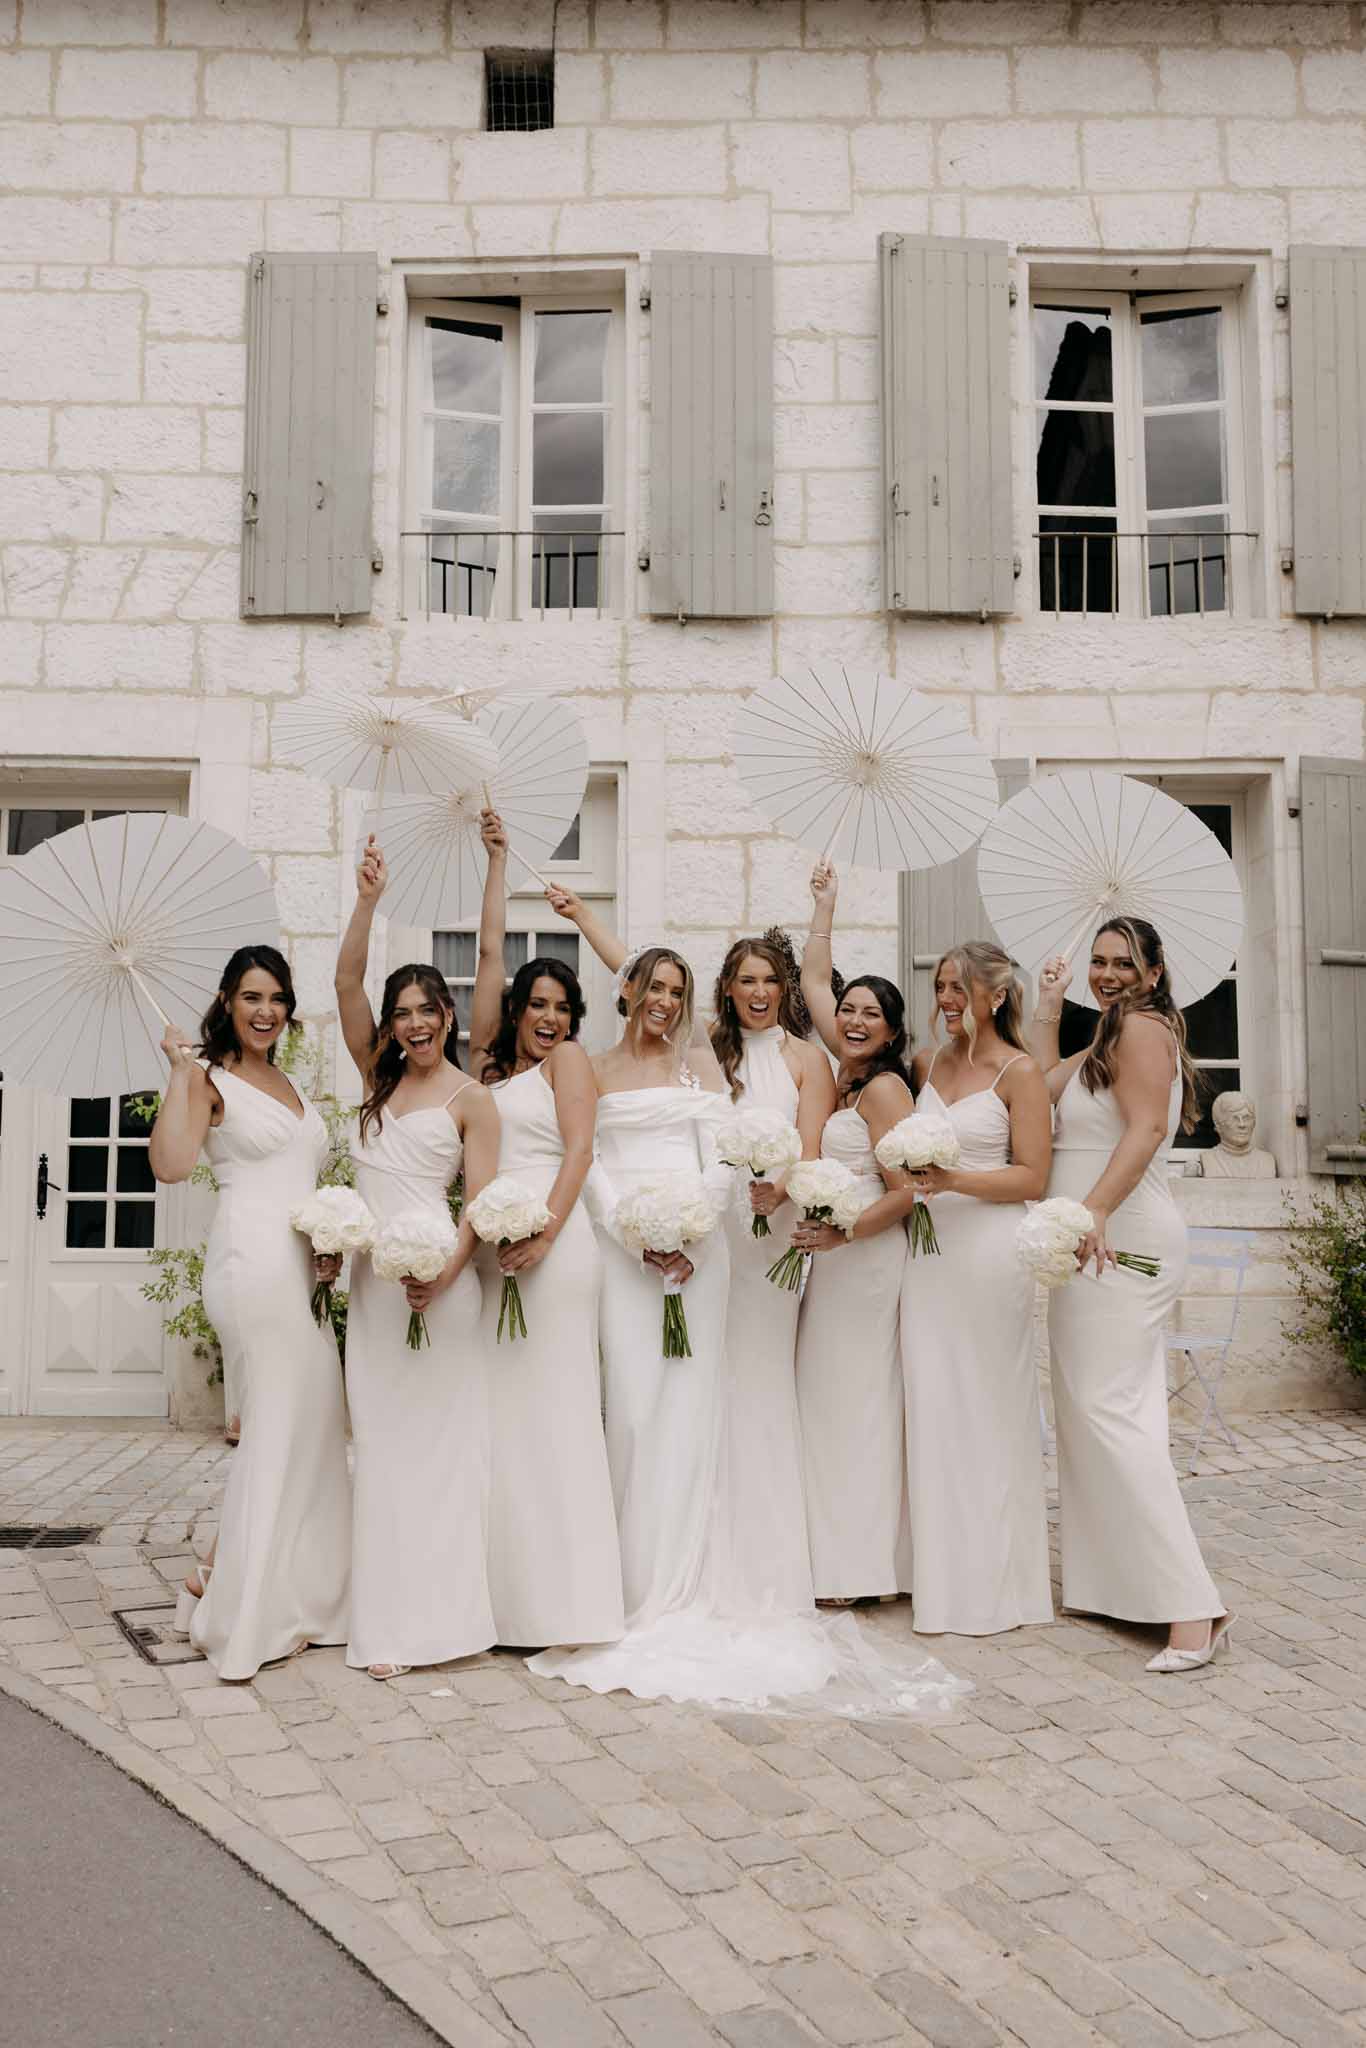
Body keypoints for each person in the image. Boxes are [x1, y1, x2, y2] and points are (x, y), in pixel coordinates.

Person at [1031, 919, 1230, 1673]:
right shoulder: (1110, 1035)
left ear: (1153, 973)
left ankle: (1192, 1609)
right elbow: (1045, 1090)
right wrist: (1049, 1004)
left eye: (1124, 964)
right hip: (1091, 1239)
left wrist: (1095, 1210)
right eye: (1099, 961)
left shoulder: (1144, 1031)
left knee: (1112, 1413)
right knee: (1094, 1411)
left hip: (1123, 1237)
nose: (1107, 974)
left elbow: (1146, 1130)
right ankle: (1114, 1584)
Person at [148, 947, 350, 1681]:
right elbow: (170, 1165)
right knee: (276, 1424)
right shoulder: (207, 1077)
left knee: (315, 1419)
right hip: (250, 1267)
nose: (266, 1011)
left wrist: (327, 1246)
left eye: (277, 998)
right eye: (252, 997)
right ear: (228, 1001)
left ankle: (263, 1581)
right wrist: (177, 1071)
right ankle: (245, 1604)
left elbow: (299, 1175)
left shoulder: (286, 1080)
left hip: (302, 1272)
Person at [336, 838, 501, 1681]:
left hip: (442, 1287)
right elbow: (342, 986)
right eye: (401, 1012)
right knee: (384, 1448)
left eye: (426, 1009)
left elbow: (477, 1204)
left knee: (438, 1450)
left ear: (447, 1014)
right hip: (372, 1289)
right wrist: (367, 899)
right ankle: (381, 1606)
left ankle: (436, 1621)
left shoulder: (472, 1100)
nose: (413, 1023)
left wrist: (442, 1271)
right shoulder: (376, 1078)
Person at [466, 813, 623, 1650]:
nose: (551, 1019)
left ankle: (565, 1602)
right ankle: (504, 1597)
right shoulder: (489, 1069)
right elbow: (487, 960)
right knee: (503, 1420)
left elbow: (581, 1148)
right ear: (518, 1010)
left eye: (564, 1008)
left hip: (555, 1257)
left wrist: (547, 1233)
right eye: (539, 1005)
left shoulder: (571, 1065)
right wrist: (498, 864)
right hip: (497, 1256)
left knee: (555, 1414)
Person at [903, 944, 1054, 1635]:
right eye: (939, 987)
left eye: (959, 986)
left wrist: (954, 1180)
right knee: (934, 1403)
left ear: (995, 994)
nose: (947, 998)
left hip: (991, 1255)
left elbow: (1033, 1179)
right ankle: (941, 1576)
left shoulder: (1020, 1074)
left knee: (991, 1406)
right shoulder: (927, 1065)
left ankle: (1001, 1581)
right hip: (928, 1258)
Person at [796, 862, 916, 1604]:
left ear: (894, 1029)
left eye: (872, 1012)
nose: (855, 1018)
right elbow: (815, 984)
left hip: (866, 1258)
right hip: (836, 1263)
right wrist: (824, 908)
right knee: (830, 1399)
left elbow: (908, 1194)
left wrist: (843, 1235)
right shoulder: (841, 1072)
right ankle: (837, 1555)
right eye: (849, 1009)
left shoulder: (883, 1089)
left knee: (855, 1403)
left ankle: (860, 1568)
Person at [711, 938, 836, 1615]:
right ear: (727, 988)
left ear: (785, 988)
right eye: (745, 980)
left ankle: (768, 1541)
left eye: (769, 981)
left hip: (774, 1232)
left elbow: (811, 1148)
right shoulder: (709, 1051)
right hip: (717, 1230)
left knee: (761, 1371)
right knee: (714, 1370)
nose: (758, 992)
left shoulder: (807, 1059)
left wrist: (780, 1190)